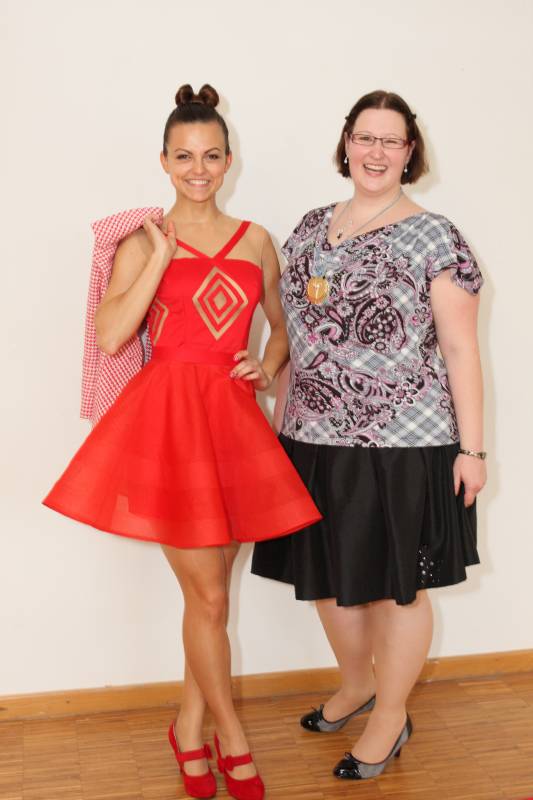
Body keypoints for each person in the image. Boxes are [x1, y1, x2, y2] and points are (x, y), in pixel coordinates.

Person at [44, 83, 320, 800]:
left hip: (232, 423)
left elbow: (282, 325)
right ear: (163, 161)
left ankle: (187, 728)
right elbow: (112, 334)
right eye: (184, 156)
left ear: (229, 160)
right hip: (166, 423)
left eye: (211, 156)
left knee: (210, 602)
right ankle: (232, 738)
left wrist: (268, 364)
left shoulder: (255, 239)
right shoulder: (142, 239)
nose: (199, 169)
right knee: (210, 596)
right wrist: (160, 259)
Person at [251, 89, 486, 781]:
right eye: (364, 137)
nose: (375, 151)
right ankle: (356, 684)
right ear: (346, 143)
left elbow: (461, 349)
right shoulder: (308, 227)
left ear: (410, 152)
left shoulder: (434, 237)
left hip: (404, 440)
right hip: (310, 433)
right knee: (327, 578)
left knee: (396, 589)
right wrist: (277, 420)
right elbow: (292, 334)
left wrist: (473, 450)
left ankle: (390, 713)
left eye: (391, 140)